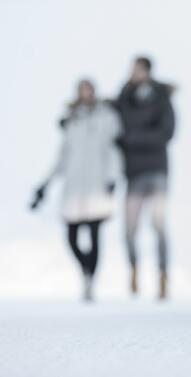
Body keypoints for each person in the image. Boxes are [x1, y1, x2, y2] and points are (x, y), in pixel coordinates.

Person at [31, 79, 122, 301]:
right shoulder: (72, 121)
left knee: (94, 234)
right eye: (82, 90)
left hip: (97, 184)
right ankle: (85, 271)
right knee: (72, 238)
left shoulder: (106, 117)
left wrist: (112, 177)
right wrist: (45, 184)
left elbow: (112, 150)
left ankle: (90, 281)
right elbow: (62, 157)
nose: (85, 94)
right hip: (74, 187)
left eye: (88, 90)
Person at [116, 56, 176, 300]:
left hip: (157, 171)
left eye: (137, 69)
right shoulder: (124, 98)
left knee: (159, 225)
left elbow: (167, 132)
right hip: (133, 173)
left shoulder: (162, 97)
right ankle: (134, 269)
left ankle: (162, 275)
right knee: (129, 228)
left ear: (148, 71)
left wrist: (131, 138)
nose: (133, 73)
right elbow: (114, 128)